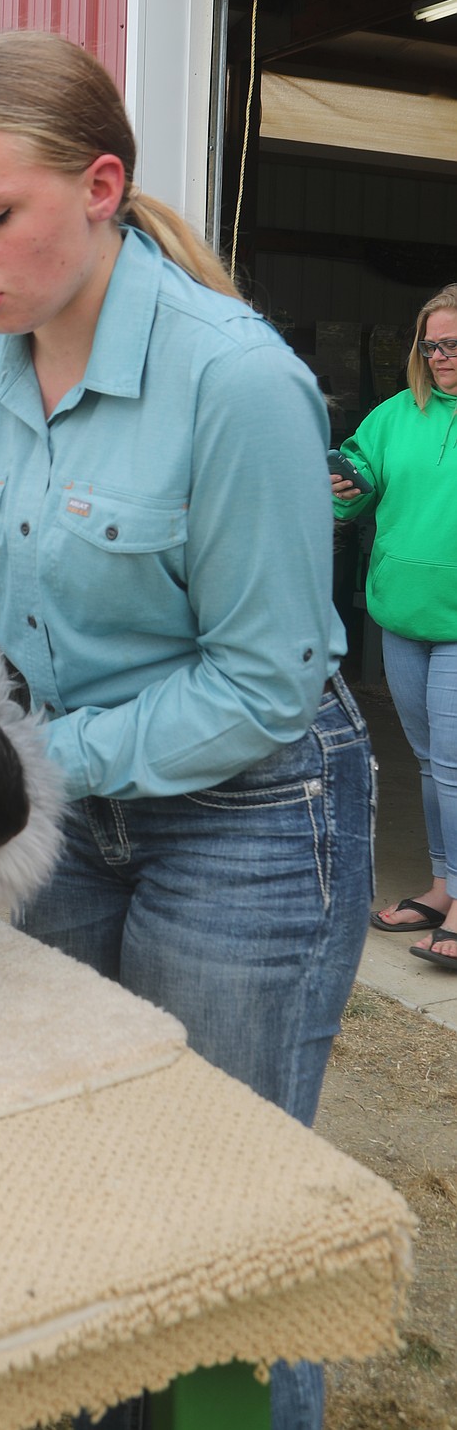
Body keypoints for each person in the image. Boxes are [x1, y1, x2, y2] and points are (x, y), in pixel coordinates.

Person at [0, 31, 373, 1430]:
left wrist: (17, 776)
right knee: (66, 1135)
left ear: (101, 186)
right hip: (52, 799)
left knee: (227, 1196)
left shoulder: (235, 383)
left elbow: (259, 680)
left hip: (249, 813)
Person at [333, 284, 457, 969]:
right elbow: (355, 485)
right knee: (433, 764)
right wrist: (345, 481)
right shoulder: (393, 414)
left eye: (452, 345)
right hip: (405, 616)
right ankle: (443, 885)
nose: (440, 357)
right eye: (431, 344)